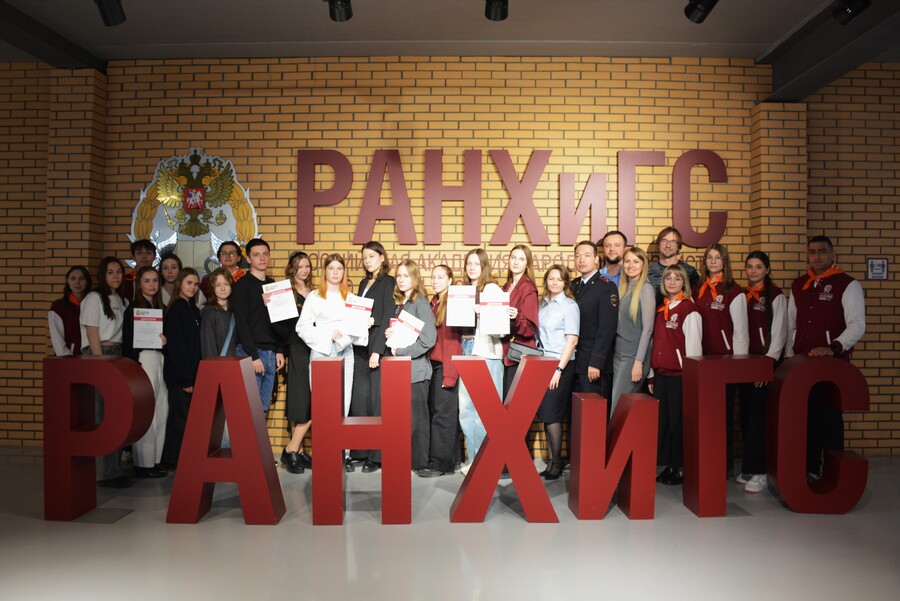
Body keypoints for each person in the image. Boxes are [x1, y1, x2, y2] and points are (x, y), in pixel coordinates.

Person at [786, 236, 865, 480]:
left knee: (830, 417)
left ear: (832, 255)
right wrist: (790, 357)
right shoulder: (799, 285)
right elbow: (791, 325)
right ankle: (811, 467)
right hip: (803, 366)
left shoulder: (847, 284)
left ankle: (833, 473)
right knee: (807, 418)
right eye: (812, 252)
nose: (817, 256)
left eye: (822, 251)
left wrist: (834, 347)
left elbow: (857, 324)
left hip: (833, 365)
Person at [297, 254, 361, 472]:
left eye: (339, 268)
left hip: (346, 353)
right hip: (321, 353)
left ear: (344, 272)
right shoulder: (314, 297)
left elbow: (355, 329)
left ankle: (343, 455)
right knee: (322, 406)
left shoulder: (351, 298)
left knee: (343, 404)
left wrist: (361, 326)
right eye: (331, 268)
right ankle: (325, 454)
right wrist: (327, 334)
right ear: (325, 271)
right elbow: (302, 328)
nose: (335, 272)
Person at [695, 243, 749, 477]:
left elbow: (741, 332)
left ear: (725, 262)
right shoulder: (698, 288)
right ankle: (707, 462)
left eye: (718, 258)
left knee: (723, 416)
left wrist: (738, 365)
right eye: (709, 257)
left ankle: (724, 466)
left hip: (725, 363)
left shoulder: (733, 291)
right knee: (706, 415)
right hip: (702, 362)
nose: (713, 261)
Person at [736, 251, 786, 493]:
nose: (753, 271)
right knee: (746, 415)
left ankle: (761, 471)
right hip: (745, 364)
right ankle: (749, 466)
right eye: (749, 266)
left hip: (764, 366)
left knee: (758, 418)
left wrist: (767, 366)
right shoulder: (743, 295)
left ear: (767, 269)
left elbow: (779, 333)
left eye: (758, 267)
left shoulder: (775, 296)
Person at [80, 257, 130, 487]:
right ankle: (103, 473)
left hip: (118, 354)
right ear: (102, 275)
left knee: (115, 415)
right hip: (100, 354)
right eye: (110, 272)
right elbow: (92, 333)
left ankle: (114, 469)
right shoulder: (93, 298)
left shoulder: (121, 299)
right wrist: (100, 363)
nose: (116, 276)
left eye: (119, 271)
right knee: (102, 415)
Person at [650, 265, 702, 486]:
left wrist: (691, 377)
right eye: (668, 278)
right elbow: (655, 343)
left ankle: (681, 468)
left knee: (677, 423)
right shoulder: (661, 309)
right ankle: (670, 465)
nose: (672, 282)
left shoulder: (689, 309)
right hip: (661, 375)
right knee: (664, 423)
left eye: (677, 278)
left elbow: (694, 349)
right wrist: (651, 375)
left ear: (684, 283)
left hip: (679, 376)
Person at [348, 241, 396, 473]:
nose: (367, 260)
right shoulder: (363, 283)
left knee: (377, 402)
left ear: (382, 257)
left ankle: (376, 456)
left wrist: (378, 350)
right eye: (365, 257)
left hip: (376, 346)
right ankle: (360, 451)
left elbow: (387, 315)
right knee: (360, 400)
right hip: (359, 347)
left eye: (372, 256)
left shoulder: (389, 282)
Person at [386, 261, 437, 473]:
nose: (401, 279)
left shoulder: (420, 303)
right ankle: (406, 461)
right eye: (399, 275)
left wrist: (401, 352)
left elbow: (429, 339)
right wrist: (390, 335)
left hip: (417, 372)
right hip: (402, 372)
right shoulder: (400, 304)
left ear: (415, 278)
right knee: (406, 420)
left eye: (406, 276)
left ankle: (420, 464)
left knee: (418, 421)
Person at [457, 248, 504, 476]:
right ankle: (473, 460)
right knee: (466, 409)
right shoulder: (463, 291)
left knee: (485, 410)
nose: (472, 267)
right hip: (466, 348)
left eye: (476, 263)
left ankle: (485, 462)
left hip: (485, 351)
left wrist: (481, 313)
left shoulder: (492, 289)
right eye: (469, 263)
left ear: (484, 266)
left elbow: (501, 330)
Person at [121, 266, 168, 478]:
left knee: (162, 410)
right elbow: (128, 342)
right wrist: (134, 366)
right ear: (139, 284)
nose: (152, 284)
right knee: (148, 411)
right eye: (147, 280)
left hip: (160, 358)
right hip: (143, 359)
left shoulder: (161, 308)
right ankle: (143, 463)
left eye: (155, 280)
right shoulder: (132, 310)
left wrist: (165, 341)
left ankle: (156, 460)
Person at [418, 265, 462, 478]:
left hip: (446, 366)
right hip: (434, 365)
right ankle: (452, 460)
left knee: (442, 415)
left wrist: (450, 374)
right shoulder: (433, 302)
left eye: (440, 277)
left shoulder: (453, 303)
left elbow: (453, 342)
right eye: (433, 277)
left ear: (450, 280)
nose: (435, 281)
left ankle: (439, 464)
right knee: (442, 413)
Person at [231, 238, 285, 414]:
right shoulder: (242, 286)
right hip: (252, 352)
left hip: (270, 353)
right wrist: (253, 356)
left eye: (265, 254)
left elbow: (279, 322)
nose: (262, 258)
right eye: (256, 255)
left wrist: (279, 350)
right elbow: (242, 323)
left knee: (262, 409)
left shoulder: (273, 285)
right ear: (248, 259)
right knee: (249, 409)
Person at [536, 265, 580, 481]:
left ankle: (557, 463)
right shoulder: (542, 304)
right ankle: (553, 460)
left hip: (560, 365)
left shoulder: (569, 306)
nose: (554, 282)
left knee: (553, 414)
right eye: (551, 278)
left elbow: (572, 341)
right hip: (543, 364)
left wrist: (559, 370)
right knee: (546, 414)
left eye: (559, 279)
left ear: (565, 283)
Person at [276, 251, 314, 474]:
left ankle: (296, 451)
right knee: (301, 398)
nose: (304, 270)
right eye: (300, 266)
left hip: (314, 347)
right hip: (297, 349)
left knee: (304, 398)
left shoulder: (314, 292)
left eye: (307, 266)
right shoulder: (286, 292)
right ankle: (292, 450)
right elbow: (279, 326)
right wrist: (281, 349)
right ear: (292, 268)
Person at [162, 268, 202, 469]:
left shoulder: (193, 309)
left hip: (191, 375)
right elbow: (177, 348)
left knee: (187, 419)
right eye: (189, 283)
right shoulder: (176, 310)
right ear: (179, 284)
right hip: (180, 377)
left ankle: (183, 459)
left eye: (195, 284)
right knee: (179, 419)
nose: (192, 287)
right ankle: (172, 460)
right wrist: (186, 379)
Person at [572, 241, 618, 408]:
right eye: (578, 256)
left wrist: (596, 362)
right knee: (575, 413)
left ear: (596, 259)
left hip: (593, 364)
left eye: (587, 255)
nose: (581, 260)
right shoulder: (573, 285)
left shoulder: (606, 287)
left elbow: (607, 329)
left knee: (592, 413)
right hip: (575, 361)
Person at [610, 246, 655, 415]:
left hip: (633, 357)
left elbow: (648, 330)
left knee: (618, 407)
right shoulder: (623, 287)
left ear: (643, 265)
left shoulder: (646, 289)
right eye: (627, 261)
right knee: (618, 406)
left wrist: (638, 362)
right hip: (619, 353)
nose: (630, 265)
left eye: (636, 261)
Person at [199, 267, 238, 449]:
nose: (223, 288)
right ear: (212, 288)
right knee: (219, 413)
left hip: (235, 369)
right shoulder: (209, 313)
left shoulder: (235, 310)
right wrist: (212, 373)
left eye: (226, 284)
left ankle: (231, 448)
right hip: (218, 370)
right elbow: (207, 345)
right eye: (218, 285)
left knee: (233, 412)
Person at [500, 244, 539, 397]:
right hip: (506, 352)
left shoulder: (528, 288)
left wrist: (516, 318)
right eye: (513, 258)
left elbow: (530, 329)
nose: (516, 262)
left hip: (519, 354)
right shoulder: (507, 286)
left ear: (527, 264)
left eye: (521, 259)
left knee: (514, 404)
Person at [647, 227, 700, 307]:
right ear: (658, 244)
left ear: (678, 246)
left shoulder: (689, 271)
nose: (668, 245)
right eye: (664, 241)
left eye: (673, 242)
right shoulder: (647, 270)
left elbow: (697, 301)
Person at [49, 266, 92, 356]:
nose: (77, 282)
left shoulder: (93, 304)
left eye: (81, 278)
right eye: (73, 278)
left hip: (91, 357)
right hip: (69, 359)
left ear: (87, 281)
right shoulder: (58, 307)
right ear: (67, 281)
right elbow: (58, 341)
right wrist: (69, 358)